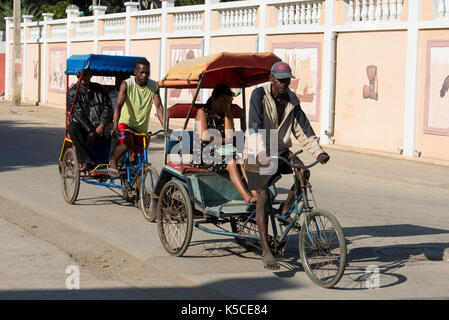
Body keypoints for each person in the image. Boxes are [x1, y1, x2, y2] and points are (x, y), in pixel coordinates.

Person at [244, 61, 330, 270]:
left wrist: (319, 152)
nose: (284, 84)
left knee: (303, 172)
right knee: (263, 197)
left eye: (287, 80)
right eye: (280, 80)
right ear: (271, 78)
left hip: (280, 148)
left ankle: (284, 209)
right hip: (257, 151)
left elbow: (304, 130)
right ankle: (266, 249)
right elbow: (254, 125)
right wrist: (263, 151)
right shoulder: (258, 95)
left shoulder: (292, 100)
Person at [193, 84, 256, 207]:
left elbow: (229, 134)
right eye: (223, 101)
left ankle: (255, 193)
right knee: (231, 161)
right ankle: (247, 198)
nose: (226, 105)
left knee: (242, 159)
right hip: (205, 154)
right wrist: (224, 140)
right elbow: (204, 135)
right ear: (214, 98)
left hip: (222, 151)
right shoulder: (202, 112)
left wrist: (227, 112)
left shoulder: (227, 114)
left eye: (229, 102)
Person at [108, 58, 164, 176]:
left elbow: (159, 108)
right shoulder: (127, 84)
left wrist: (166, 127)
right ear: (135, 72)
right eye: (142, 73)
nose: (145, 75)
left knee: (141, 160)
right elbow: (118, 106)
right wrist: (115, 126)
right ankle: (113, 161)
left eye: (147, 73)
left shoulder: (153, 86)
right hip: (126, 123)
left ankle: (138, 191)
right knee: (127, 144)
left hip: (141, 127)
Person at [66, 68, 115, 171]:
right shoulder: (72, 93)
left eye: (86, 74)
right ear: (77, 76)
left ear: (90, 75)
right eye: (80, 75)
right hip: (83, 128)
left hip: (101, 126)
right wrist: (90, 131)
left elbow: (108, 107)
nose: (83, 77)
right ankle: (87, 160)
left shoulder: (99, 89)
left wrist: (101, 125)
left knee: (115, 130)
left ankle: (113, 161)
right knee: (72, 128)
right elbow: (78, 114)